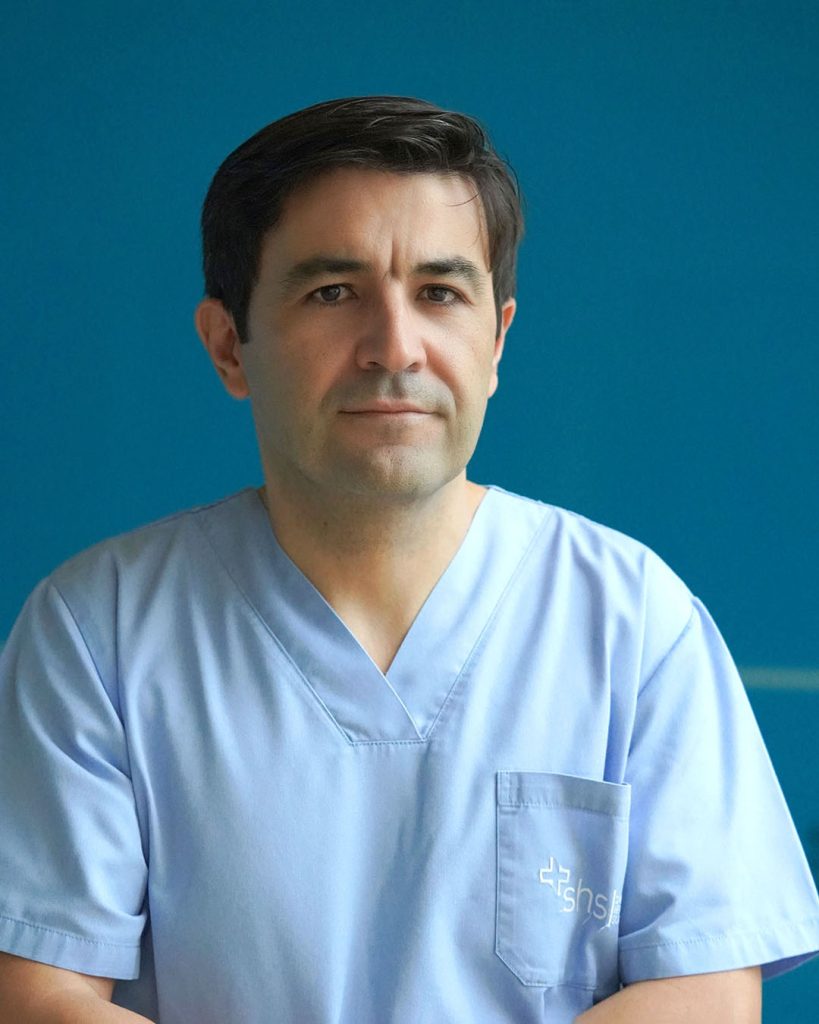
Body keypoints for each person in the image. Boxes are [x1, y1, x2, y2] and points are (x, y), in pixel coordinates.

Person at [0, 95, 817, 1024]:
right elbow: (36, 991)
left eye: (439, 293)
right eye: (332, 292)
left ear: (496, 339)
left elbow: (705, 988)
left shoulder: (631, 620)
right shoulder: (98, 631)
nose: (394, 348)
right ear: (229, 345)